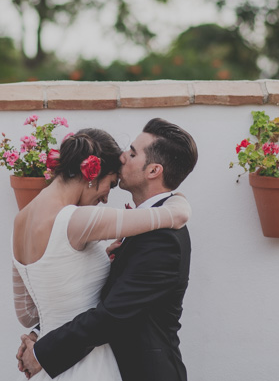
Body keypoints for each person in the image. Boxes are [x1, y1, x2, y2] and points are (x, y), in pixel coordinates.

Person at [17, 118, 198, 380]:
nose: (123, 157)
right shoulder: (143, 224)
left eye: (133, 153)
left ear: (153, 170)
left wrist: (42, 352)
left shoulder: (164, 237)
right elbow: (95, 292)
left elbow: (113, 315)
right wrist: (40, 332)